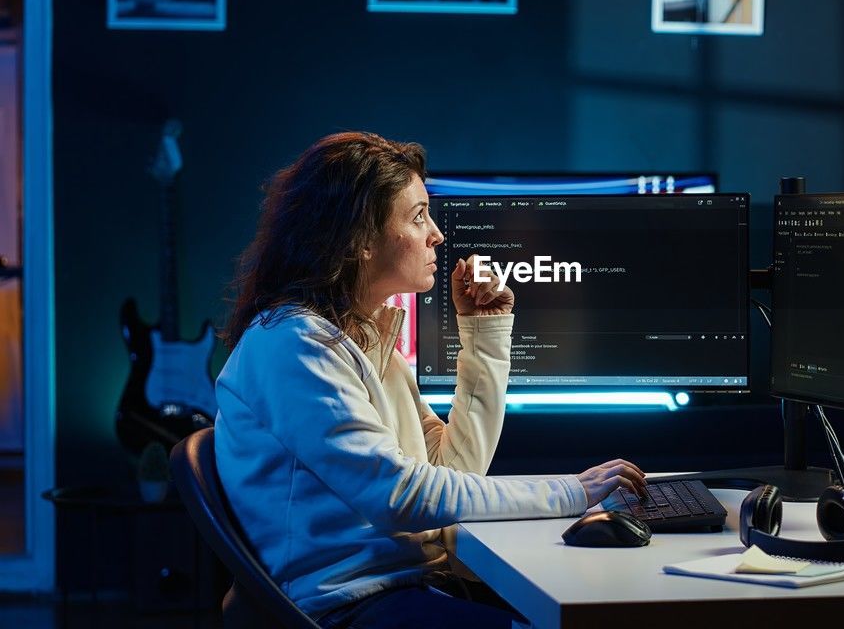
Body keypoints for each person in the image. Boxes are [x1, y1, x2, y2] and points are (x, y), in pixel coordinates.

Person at [215, 132, 647, 628]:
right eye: (418, 217)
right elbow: (401, 497)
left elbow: (455, 468)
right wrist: (573, 490)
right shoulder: (296, 345)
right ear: (357, 239)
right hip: (346, 607)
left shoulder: (362, 337)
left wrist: (484, 334)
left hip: (399, 587)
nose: (437, 234)